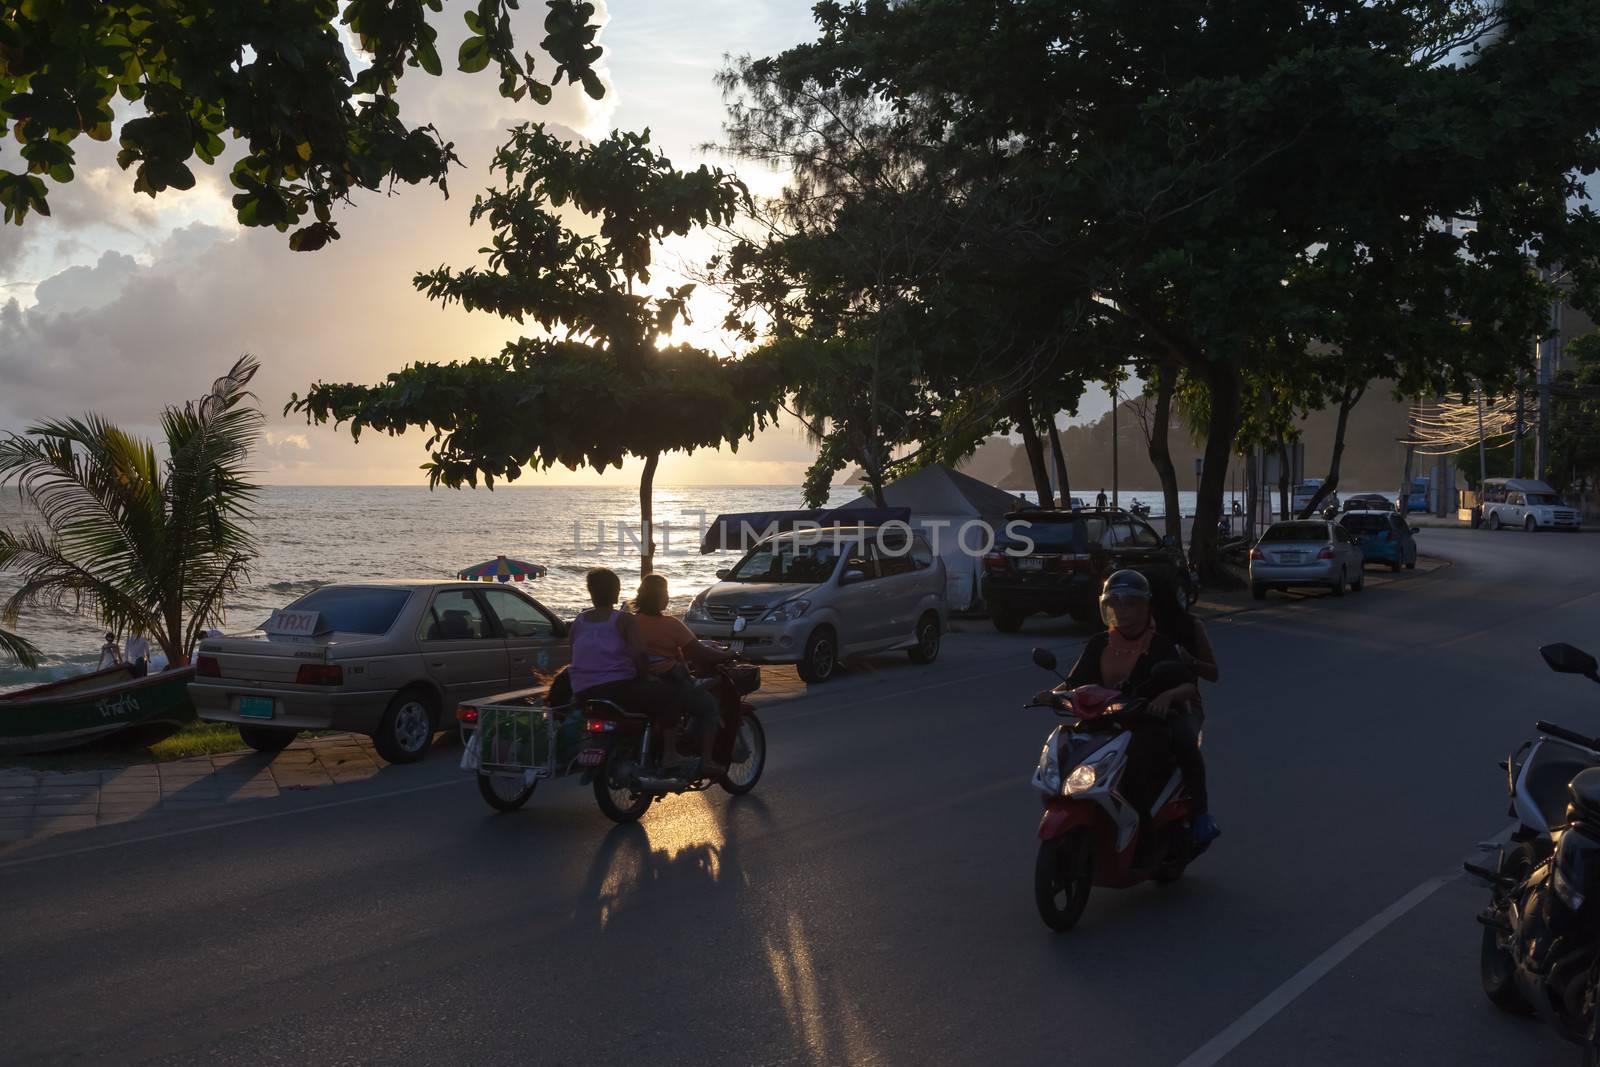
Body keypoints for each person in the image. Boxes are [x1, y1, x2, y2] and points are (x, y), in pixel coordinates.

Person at [1042, 570, 1217, 844]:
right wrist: (1052, 695)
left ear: (1146, 606)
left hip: (1147, 721)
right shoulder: (1099, 642)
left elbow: (1188, 686)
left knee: (1139, 764)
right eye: (1116, 603)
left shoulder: (1160, 644)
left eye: (1130, 604)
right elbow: (1074, 682)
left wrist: (1166, 697)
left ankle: (1155, 828)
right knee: (1068, 746)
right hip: (1105, 718)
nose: (1122, 611)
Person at [567, 567, 681, 764]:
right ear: (616, 592)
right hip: (616, 689)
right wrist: (646, 676)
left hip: (582, 690)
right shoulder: (623, 620)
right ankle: (670, 754)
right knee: (669, 695)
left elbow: (572, 650)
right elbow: (640, 653)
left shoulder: (580, 620)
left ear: (591, 592)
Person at [631, 574, 734, 775]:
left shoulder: (631, 622)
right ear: (660, 597)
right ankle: (706, 761)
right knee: (709, 707)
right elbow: (698, 652)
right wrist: (725, 654)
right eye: (666, 592)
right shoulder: (671, 625)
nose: (668, 597)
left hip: (639, 680)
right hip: (669, 679)